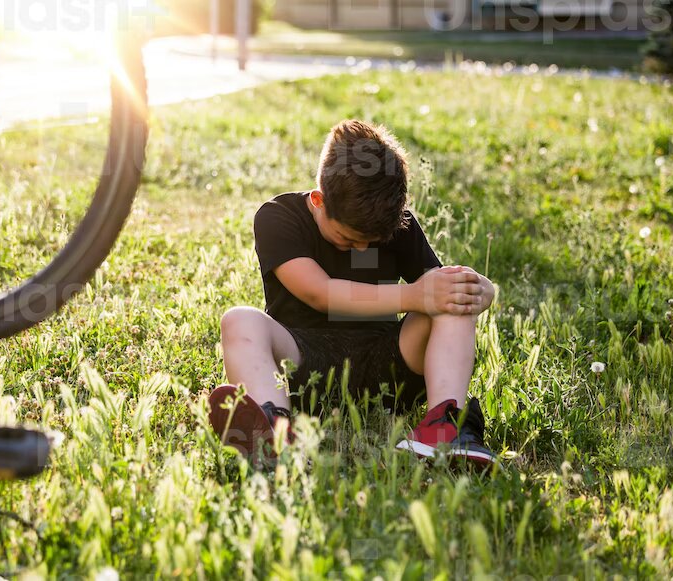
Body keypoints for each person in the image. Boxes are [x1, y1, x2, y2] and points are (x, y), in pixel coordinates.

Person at [208, 120, 497, 466]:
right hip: (303, 365)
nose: (361, 246)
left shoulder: (395, 223)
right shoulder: (279, 217)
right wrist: (414, 297)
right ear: (318, 200)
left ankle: (444, 426)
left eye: (371, 242)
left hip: (390, 367)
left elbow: (439, 284)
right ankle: (275, 428)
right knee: (240, 319)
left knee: (451, 297)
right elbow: (319, 292)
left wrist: (481, 291)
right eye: (348, 238)